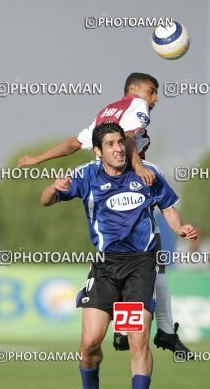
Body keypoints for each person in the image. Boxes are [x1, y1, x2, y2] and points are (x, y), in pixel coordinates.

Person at [41, 122, 198, 389]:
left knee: (137, 338)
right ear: (98, 151)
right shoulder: (86, 176)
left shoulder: (146, 174)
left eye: (120, 143)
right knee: (89, 344)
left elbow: (168, 207)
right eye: (110, 144)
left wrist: (179, 228)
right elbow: (45, 200)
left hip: (140, 266)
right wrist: (53, 187)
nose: (118, 148)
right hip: (104, 269)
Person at [18, 72, 189, 354]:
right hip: (126, 182)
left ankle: (146, 330)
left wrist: (38, 159)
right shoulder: (137, 105)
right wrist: (140, 167)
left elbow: (74, 143)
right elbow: (131, 138)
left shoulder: (106, 114)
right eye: (152, 91)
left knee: (150, 265)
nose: (155, 98)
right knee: (146, 261)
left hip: (106, 186)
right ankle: (158, 331)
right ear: (133, 89)